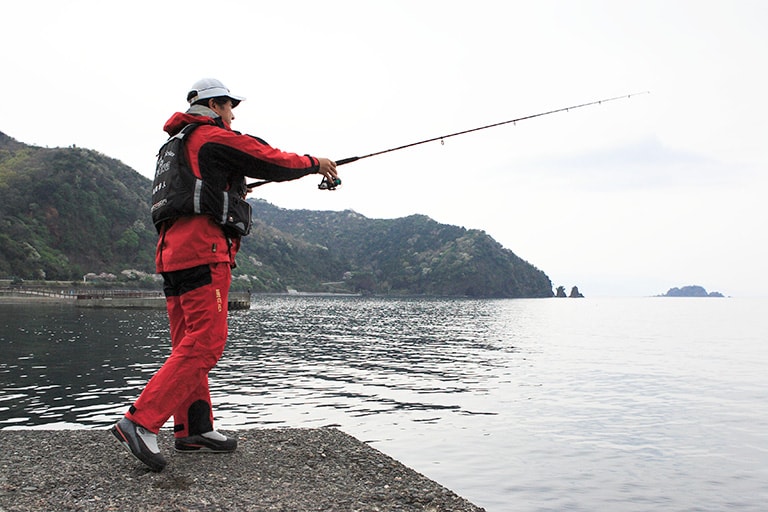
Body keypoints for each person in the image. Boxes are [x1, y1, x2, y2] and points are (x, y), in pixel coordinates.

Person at [111, 78, 338, 471]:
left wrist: (231, 189)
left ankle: (194, 429)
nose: (233, 116)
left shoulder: (173, 146)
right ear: (215, 105)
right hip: (203, 251)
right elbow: (268, 158)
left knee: (188, 341)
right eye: (230, 107)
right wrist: (314, 163)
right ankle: (140, 421)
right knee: (208, 342)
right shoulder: (210, 135)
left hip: (171, 255)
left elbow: (199, 187)